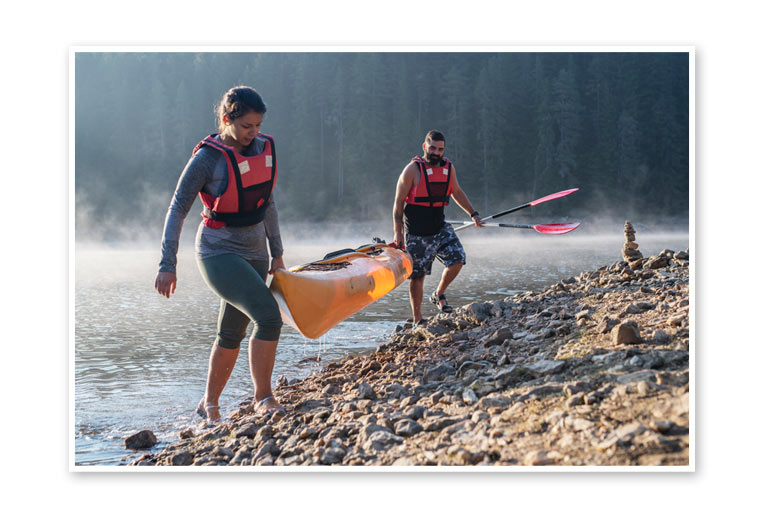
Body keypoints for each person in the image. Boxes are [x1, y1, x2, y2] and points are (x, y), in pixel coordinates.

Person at [154, 86, 285, 421]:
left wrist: (277, 254)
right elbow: (177, 208)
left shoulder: (264, 148)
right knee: (269, 317)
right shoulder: (207, 158)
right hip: (218, 252)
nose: (253, 133)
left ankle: (208, 403)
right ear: (227, 119)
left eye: (257, 126)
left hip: (256, 251)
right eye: (246, 127)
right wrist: (168, 264)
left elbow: (267, 203)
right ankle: (263, 397)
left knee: (231, 332)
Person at [392, 130, 483, 325]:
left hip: (440, 228)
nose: (436, 152)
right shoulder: (411, 170)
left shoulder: (448, 168)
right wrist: (398, 232)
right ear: (424, 147)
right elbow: (398, 202)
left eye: (440, 149)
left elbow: (456, 192)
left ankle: (439, 293)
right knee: (418, 276)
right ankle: (418, 319)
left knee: (458, 259)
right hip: (417, 232)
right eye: (432, 148)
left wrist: (473, 214)